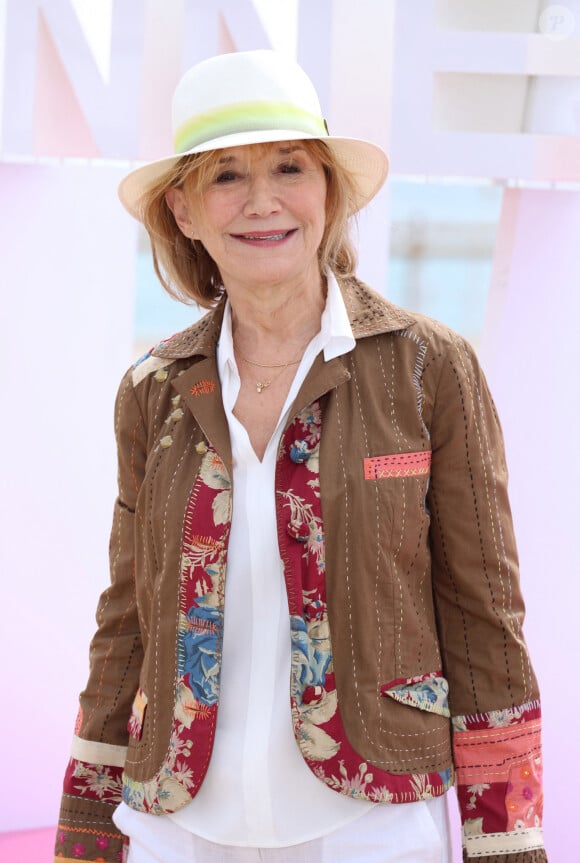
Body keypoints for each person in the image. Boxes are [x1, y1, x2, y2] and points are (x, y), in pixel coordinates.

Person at [55, 50, 547, 863]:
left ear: (329, 190)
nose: (262, 202)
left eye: (289, 167)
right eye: (224, 177)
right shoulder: (153, 391)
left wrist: (510, 843)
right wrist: (84, 838)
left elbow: (482, 618)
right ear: (183, 210)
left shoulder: (428, 371)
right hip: (179, 825)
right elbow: (126, 622)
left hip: (374, 823)